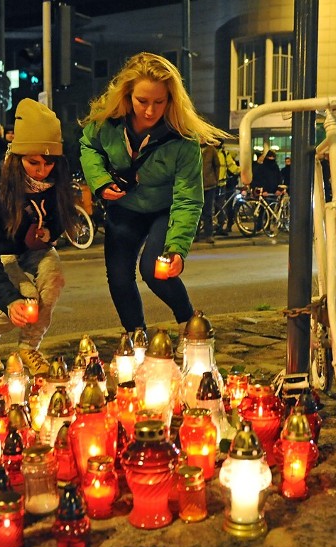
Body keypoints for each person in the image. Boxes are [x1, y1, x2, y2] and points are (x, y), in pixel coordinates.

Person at [79, 52, 229, 350]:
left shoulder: (183, 139)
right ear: (127, 96)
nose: (150, 111)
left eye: (159, 102)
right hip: (124, 207)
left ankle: (189, 322)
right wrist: (99, 182)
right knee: (119, 277)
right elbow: (88, 147)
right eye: (142, 101)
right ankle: (135, 338)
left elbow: (188, 198)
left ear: (171, 100)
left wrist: (177, 249)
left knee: (155, 269)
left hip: (164, 209)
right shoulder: (107, 123)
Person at [0, 98, 77, 375]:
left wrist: (52, 229)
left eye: (49, 163)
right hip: (4, 251)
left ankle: (29, 347)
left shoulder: (57, 176)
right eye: (33, 163)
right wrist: (8, 299)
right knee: (27, 300)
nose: (42, 171)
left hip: (36, 249)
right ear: (18, 157)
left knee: (54, 279)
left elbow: (63, 214)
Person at [197, 141, 220, 243]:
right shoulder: (193, 148)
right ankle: (195, 235)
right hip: (196, 185)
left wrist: (215, 179)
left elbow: (217, 165)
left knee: (208, 211)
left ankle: (208, 234)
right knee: (196, 211)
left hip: (209, 185)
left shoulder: (211, 150)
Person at [215, 140, 240, 234]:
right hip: (211, 183)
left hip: (221, 184)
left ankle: (219, 226)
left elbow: (232, 167)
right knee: (212, 206)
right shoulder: (207, 151)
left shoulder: (224, 154)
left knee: (220, 206)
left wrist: (242, 170)